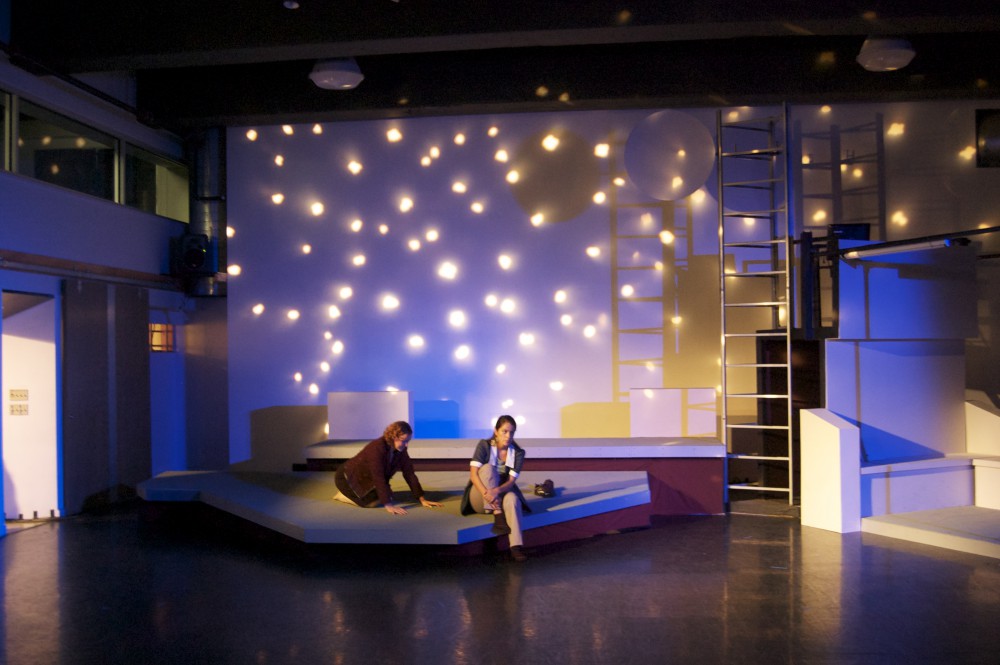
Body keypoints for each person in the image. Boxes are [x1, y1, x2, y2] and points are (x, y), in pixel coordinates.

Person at [460, 415, 531, 561]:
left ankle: (515, 547)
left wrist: (495, 492)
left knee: (513, 499)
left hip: (499, 494)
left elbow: (511, 482)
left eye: (512, 432)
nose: (508, 436)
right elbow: (473, 475)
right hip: (480, 496)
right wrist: (488, 494)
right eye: (504, 431)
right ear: (496, 431)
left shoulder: (517, 452)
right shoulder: (484, 445)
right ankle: (497, 512)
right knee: (488, 468)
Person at [333, 421, 442, 515]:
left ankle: (359, 494)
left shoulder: (400, 449)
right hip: (346, 477)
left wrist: (421, 499)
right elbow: (378, 477)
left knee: (387, 495)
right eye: (404, 441)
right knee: (371, 504)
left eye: (408, 441)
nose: (406, 445)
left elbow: (409, 473)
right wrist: (388, 506)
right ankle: (343, 495)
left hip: (366, 478)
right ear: (394, 437)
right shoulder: (376, 448)